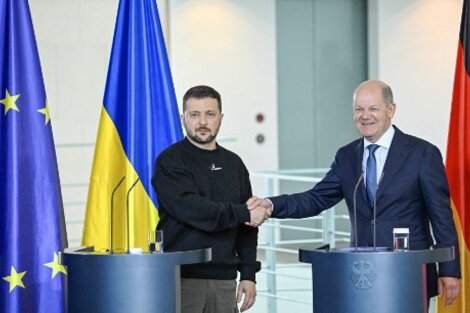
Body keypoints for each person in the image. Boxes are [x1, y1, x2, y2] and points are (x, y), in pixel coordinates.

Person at [247, 80, 461, 307]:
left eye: (373, 108)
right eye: (359, 109)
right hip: (361, 276)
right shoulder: (347, 156)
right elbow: (316, 198)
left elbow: (441, 217)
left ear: (391, 110)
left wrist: (449, 269)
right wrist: (271, 205)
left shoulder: (422, 154)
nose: (365, 115)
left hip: (408, 275)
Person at [152, 85, 269, 313]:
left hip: (225, 282)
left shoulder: (234, 164)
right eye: (194, 114)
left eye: (210, 114)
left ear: (221, 118)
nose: (202, 122)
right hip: (182, 280)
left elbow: (248, 228)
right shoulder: (170, 161)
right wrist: (243, 212)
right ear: (183, 118)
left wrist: (248, 274)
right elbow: (193, 209)